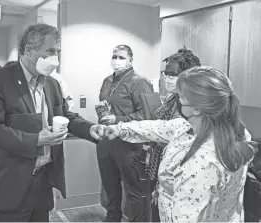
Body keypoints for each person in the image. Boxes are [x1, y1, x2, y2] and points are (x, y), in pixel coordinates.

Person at [0, 23, 100, 222]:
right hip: (8, 181)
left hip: (42, 180)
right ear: (29, 51)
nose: (56, 58)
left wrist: (91, 129)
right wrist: (36, 139)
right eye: (51, 51)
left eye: (58, 52)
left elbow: (65, 115)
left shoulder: (52, 83)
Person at [95, 66, 256, 222]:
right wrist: (118, 129)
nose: (176, 100)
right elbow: (158, 127)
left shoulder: (202, 160)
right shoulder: (216, 128)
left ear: (197, 109)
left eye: (180, 97)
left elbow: (187, 217)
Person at [97, 44, 154, 222]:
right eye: (114, 56)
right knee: (110, 185)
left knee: (132, 189)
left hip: (128, 143)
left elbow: (146, 115)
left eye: (121, 57)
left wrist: (118, 119)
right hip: (106, 140)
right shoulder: (107, 80)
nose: (117, 60)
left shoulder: (139, 82)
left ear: (130, 60)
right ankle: (112, 217)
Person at [147, 47, 201, 221]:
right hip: (159, 165)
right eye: (165, 74)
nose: (167, 79)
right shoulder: (172, 97)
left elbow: (180, 139)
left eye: (173, 75)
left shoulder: (193, 104)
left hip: (177, 176)